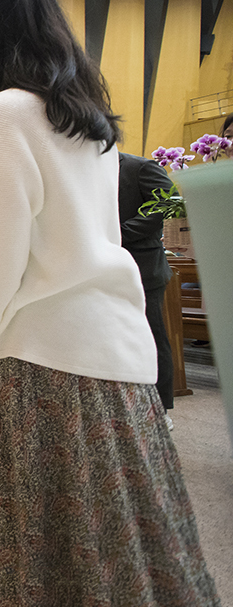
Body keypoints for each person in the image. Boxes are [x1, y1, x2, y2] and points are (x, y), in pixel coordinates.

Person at [0, 0, 217, 607]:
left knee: (44, 558)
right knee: (129, 550)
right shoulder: (87, 122)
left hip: (41, 365)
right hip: (118, 359)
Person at [118, 151, 176, 427]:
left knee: (152, 336)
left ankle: (161, 409)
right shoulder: (86, 169)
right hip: (108, 267)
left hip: (144, 266)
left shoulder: (139, 167)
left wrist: (120, 233)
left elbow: (168, 203)